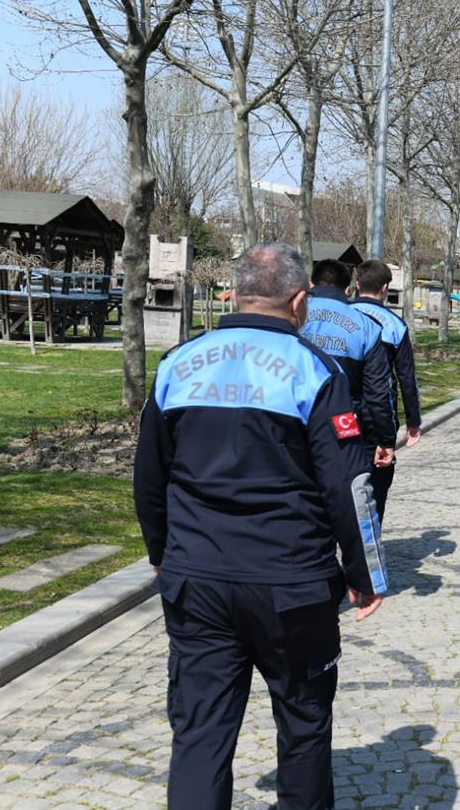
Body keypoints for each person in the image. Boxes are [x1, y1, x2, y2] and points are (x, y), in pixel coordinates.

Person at [134, 243, 387, 809]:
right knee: (302, 727)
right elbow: (349, 487)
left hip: (197, 578)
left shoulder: (178, 363)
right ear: (299, 302)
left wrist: (160, 551)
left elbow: (149, 476)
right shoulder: (314, 370)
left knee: (199, 734)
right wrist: (364, 573)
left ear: (235, 293)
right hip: (291, 584)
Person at [299, 259, 398, 477]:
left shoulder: (292, 316)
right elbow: (378, 392)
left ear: (312, 284)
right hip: (344, 427)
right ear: (347, 289)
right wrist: (384, 439)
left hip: (295, 424)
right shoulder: (367, 327)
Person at [351, 260, 423, 521]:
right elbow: (406, 377)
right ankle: (371, 540)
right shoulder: (395, 324)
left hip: (339, 413)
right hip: (378, 416)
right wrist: (413, 421)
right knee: (377, 486)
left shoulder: (341, 317)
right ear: (385, 288)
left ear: (357, 285)